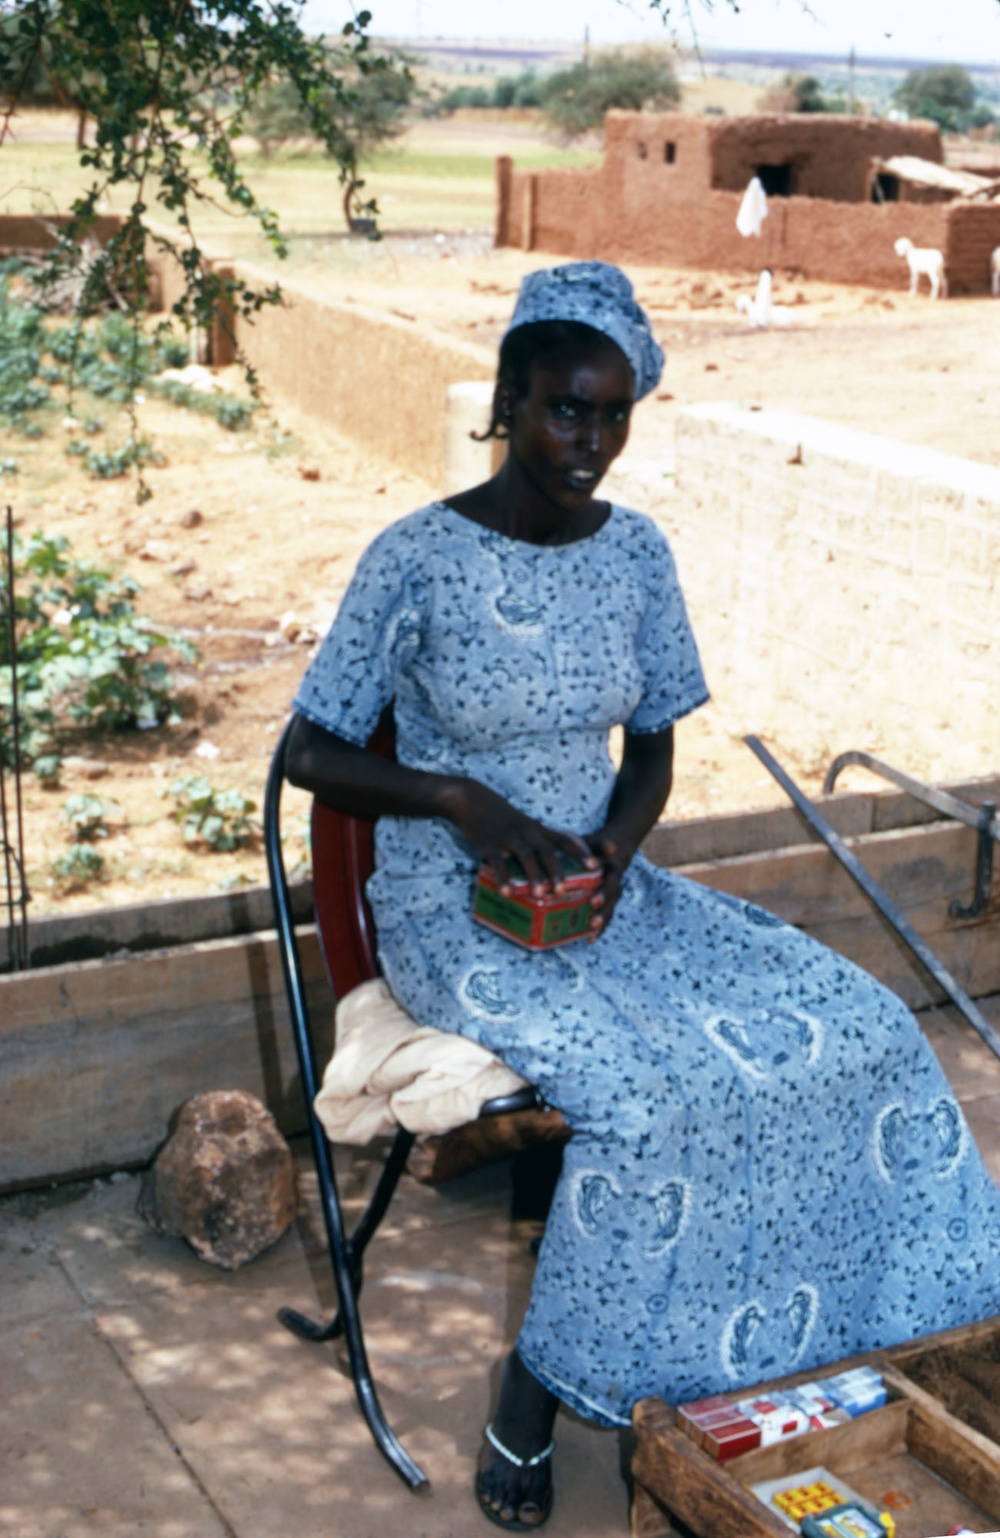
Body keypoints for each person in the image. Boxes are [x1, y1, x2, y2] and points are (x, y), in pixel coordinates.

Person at [286, 261, 1000, 1531]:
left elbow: (657, 743)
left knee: (866, 1028)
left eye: (613, 415)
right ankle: (537, 1390)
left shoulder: (637, 555)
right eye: (567, 410)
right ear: (508, 399)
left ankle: (821, 1350)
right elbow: (311, 750)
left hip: (604, 884)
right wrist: (459, 800)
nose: (591, 444)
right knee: (641, 1097)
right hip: (457, 904)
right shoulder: (417, 557)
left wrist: (614, 852)